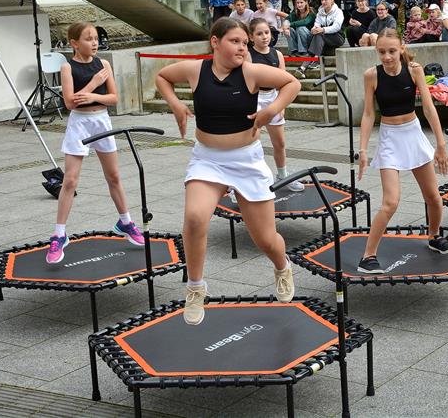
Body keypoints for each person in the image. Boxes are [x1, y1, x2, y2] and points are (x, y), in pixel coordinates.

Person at [155, 17, 300, 325]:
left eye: (244, 43)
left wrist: (271, 110)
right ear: (215, 42)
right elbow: (162, 77)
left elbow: (292, 83)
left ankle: (282, 265)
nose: (241, 48)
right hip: (207, 159)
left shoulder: (250, 72)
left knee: (265, 238)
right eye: (235, 41)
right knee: (195, 218)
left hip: (246, 160)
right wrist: (177, 106)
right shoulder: (196, 70)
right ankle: (195, 288)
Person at [45, 22, 143, 264]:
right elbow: (70, 102)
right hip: (79, 122)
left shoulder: (105, 64)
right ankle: (59, 235)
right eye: (89, 38)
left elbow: (113, 98)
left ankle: (126, 221)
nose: (95, 42)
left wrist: (94, 95)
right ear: (74, 43)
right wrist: (90, 86)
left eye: (96, 38)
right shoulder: (67, 67)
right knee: (70, 179)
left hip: (101, 121)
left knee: (114, 176)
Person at [356, 29, 448, 273]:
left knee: (433, 197)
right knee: (390, 202)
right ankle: (368, 256)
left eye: (391, 51)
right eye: (381, 52)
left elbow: (429, 109)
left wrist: (441, 144)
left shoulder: (414, 70)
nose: (387, 57)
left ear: (401, 48)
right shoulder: (371, 75)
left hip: (413, 133)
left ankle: (434, 236)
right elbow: (368, 114)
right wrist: (363, 150)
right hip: (389, 137)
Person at [246, 18, 305, 191]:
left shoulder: (277, 54)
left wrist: (282, 106)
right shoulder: (248, 55)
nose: (264, 37)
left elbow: (285, 83)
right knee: (250, 143)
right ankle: (246, 180)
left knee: (279, 143)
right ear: (251, 37)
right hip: (255, 98)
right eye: (259, 33)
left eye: (266, 32)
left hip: (273, 97)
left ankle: (282, 175)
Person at [298, 0, 343, 72]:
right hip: (324, 38)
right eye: (322, 0)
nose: (323, 2)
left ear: (332, 0)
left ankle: (312, 62)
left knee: (319, 35)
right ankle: (305, 66)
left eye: (326, 0)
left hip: (337, 37)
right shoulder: (320, 12)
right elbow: (317, 24)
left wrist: (322, 30)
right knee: (316, 35)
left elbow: (336, 27)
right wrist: (314, 29)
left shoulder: (338, 12)